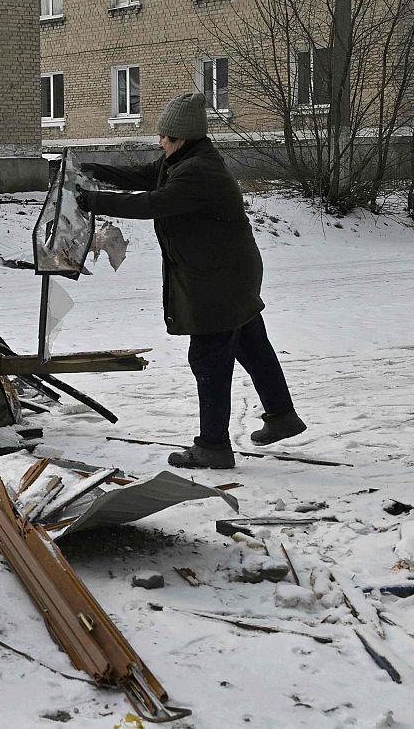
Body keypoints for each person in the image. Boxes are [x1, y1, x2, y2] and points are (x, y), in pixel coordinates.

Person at [77, 92, 306, 469]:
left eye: (165, 136)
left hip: (218, 280)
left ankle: (213, 447)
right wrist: (93, 170)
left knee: (209, 357)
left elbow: (152, 203)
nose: (160, 142)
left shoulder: (198, 172)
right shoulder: (182, 160)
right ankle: (282, 416)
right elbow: (141, 177)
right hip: (231, 273)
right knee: (251, 344)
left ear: (181, 138)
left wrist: (92, 202)